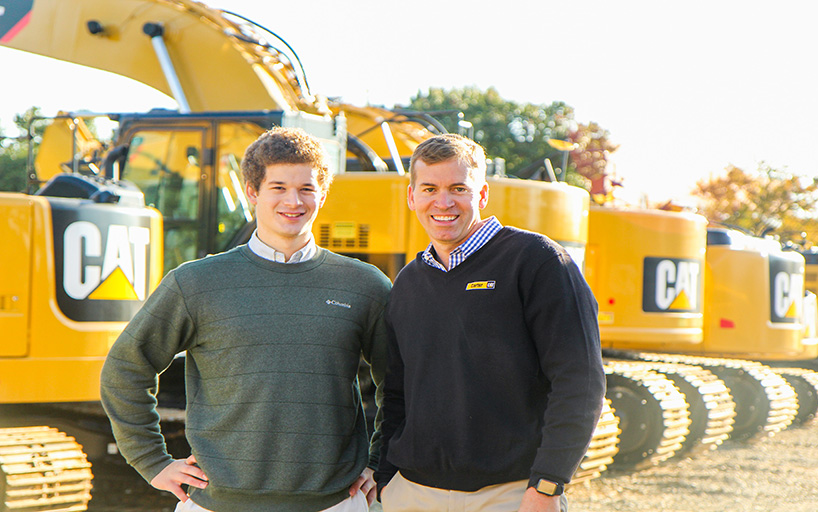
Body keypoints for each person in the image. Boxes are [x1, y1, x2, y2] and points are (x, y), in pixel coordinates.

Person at [100, 127, 391, 512]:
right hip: (214, 504)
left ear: (322, 193)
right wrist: (152, 461)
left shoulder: (365, 285)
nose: (294, 200)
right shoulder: (195, 282)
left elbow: (400, 383)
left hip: (335, 503)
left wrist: (379, 462)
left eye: (306, 188)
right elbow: (125, 367)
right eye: (278, 187)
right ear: (252, 192)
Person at [375, 134, 605, 512]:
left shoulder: (537, 262)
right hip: (412, 495)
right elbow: (397, 394)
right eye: (429, 188)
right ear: (411, 196)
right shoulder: (408, 282)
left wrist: (547, 485)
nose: (443, 202)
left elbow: (580, 382)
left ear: (481, 196)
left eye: (458, 188)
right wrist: (387, 480)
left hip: (509, 496)